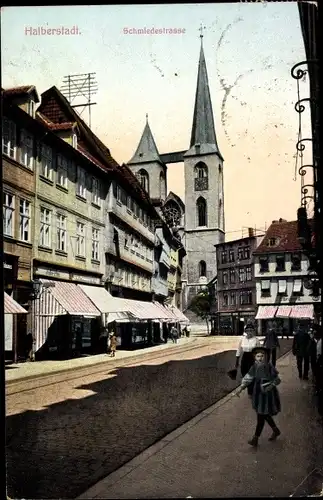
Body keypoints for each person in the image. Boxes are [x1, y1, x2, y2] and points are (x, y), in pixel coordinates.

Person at [235, 346, 281, 447]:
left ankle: (255, 439)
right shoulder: (254, 367)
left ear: (265, 357)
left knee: (261, 415)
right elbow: (248, 378)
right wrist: (241, 388)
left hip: (268, 395)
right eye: (258, 356)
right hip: (258, 394)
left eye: (262, 356)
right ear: (254, 357)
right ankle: (275, 430)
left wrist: (270, 385)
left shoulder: (269, 366)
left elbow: (277, 380)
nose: (260, 358)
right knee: (264, 414)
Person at [235, 324, 261, 396]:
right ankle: (250, 387)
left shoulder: (256, 340)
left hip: (252, 359)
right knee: (244, 374)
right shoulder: (242, 339)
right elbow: (239, 350)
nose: (249, 332)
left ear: (253, 331)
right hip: (245, 358)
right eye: (248, 330)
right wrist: (237, 362)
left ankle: (251, 390)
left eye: (251, 330)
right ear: (245, 331)